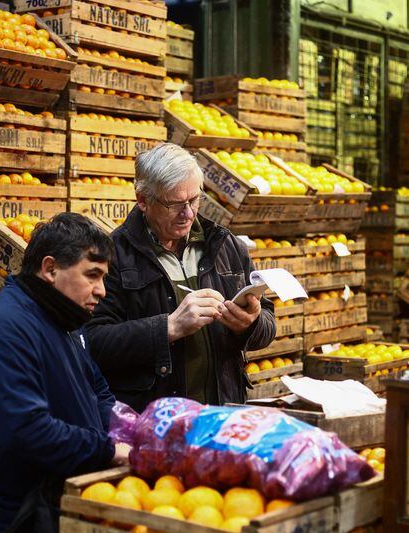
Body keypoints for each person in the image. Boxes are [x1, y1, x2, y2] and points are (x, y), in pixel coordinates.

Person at [0, 213, 131, 533]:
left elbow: (96, 388)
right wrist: (107, 451)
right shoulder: (5, 329)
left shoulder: (65, 318)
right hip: (19, 515)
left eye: (104, 278)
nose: (102, 291)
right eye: (92, 276)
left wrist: (131, 429)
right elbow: (26, 431)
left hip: (58, 503)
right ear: (50, 268)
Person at [86, 143, 276, 412]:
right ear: (143, 200)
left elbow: (268, 324)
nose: (188, 213)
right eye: (175, 203)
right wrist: (168, 327)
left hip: (222, 417)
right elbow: (93, 342)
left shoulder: (225, 246)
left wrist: (250, 323)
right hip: (156, 424)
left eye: (194, 200)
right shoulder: (113, 256)